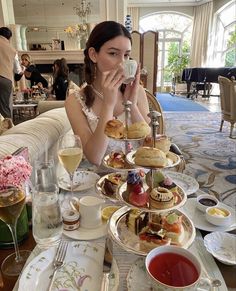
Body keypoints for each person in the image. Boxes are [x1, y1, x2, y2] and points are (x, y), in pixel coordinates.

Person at [65, 21, 150, 166]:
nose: (122, 63)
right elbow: (94, 158)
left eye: (126, 55)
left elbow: (151, 149)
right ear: (93, 55)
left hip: (137, 180)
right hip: (100, 183)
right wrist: (108, 105)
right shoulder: (75, 101)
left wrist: (132, 106)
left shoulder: (137, 91)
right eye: (113, 53)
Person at [0, 27, 24, 118]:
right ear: (9, 38)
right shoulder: (13, 50)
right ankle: (8, 130)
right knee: (4, 107)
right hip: (5, 79)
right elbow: (17, 70)